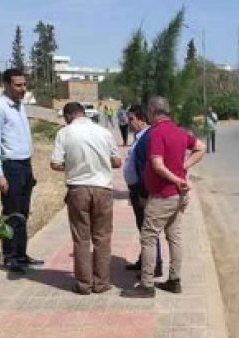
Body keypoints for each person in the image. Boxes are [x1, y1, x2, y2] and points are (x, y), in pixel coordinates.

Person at [121, 96, 206, 298]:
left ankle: (147, 284)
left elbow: (157, 165)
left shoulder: (157, 134)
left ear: (151, 111)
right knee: (174, 237)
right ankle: (174, 280)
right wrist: (184, 167)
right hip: (178, 195)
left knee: (148, 237)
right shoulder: (179, 131)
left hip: (163, 195)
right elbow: (200, 147)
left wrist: (176, 177)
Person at [50, 102, 122, 295]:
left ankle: (83, 283)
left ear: (67, 116)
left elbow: (55, 163)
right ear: (84, 114)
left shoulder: (64, 133)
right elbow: (117, 162)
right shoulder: (104, 132)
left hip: (78, 189)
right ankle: (101, 282)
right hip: (103, 189)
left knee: (81, 238)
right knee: (102, 237)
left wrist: (74, 166)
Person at [0, 68, 43, 273]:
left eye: (24, 85)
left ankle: (21, 253)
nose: (23, 89)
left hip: (24, 165)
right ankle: (10, 256)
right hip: (10, 166)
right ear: (7, 85)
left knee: (23, 213)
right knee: (12, 214)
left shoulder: (20, 106)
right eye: (18, 85)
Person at [122, 104, 163, 277]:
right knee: (142, 228)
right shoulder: (139, 136)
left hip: (142, 191)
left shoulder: (146, 138)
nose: (128, 122)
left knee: (148, 230)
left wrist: (143, 193)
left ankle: (154, 265)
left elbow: (146, 168)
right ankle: (145, 260)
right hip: (136, 189)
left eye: (131, 119)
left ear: (141, 119)